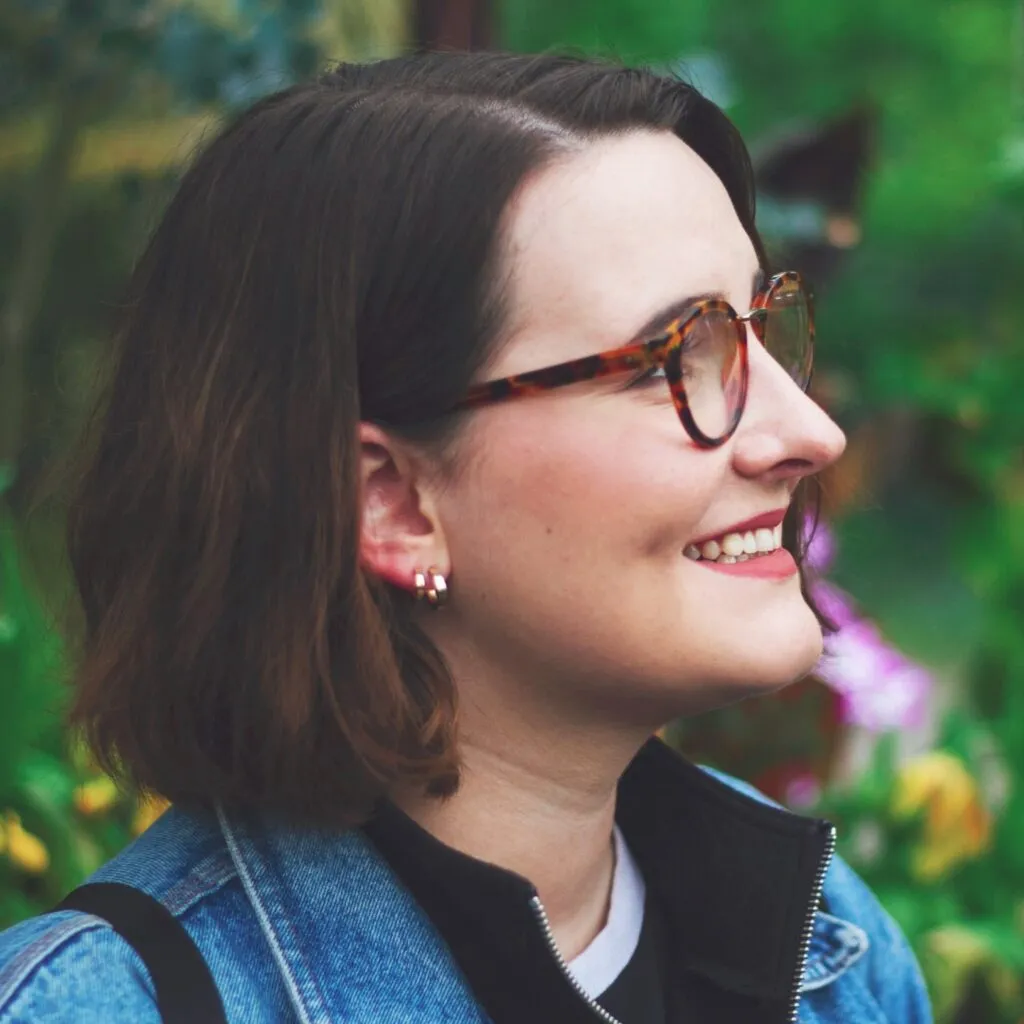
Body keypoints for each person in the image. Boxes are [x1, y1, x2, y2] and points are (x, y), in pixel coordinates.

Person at [0, 51, 932, 1024]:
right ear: (393, 502)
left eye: (759, 331)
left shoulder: (832, 952)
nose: (810, 435)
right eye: (678, 360)